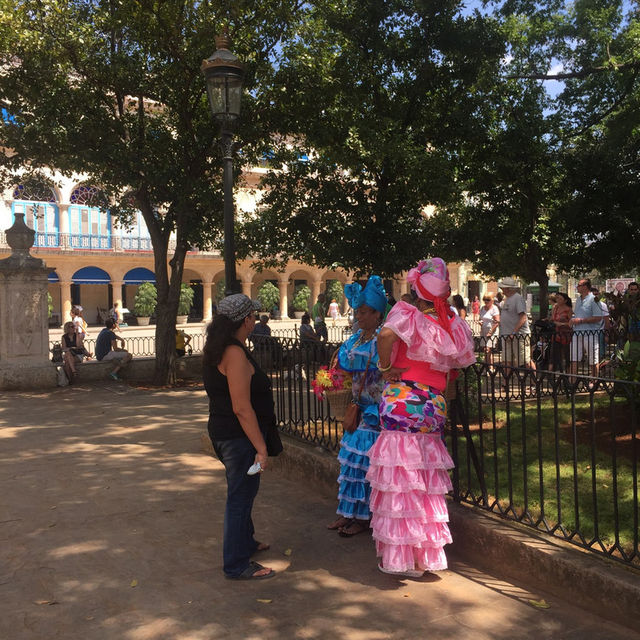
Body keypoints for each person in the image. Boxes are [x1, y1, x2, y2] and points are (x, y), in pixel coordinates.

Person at [366, 258, 475, 576]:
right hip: (433, 405)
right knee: (424, 481)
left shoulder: (406, 312)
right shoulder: (450, 321)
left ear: (417, 287)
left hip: (402, 401)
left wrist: (386, 368)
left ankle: (401, 557)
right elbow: (455, 365)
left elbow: (385, 337)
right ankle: (423, 557)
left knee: (400, 481)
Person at [202, 294, 276, 580]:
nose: (255, 321)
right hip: (237, 437)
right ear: (246, 320)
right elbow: (241, 408)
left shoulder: (220, 348)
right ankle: (236, 563)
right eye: (253, 317)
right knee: (240, 497)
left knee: (244, 491)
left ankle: (246, 542)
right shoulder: (233, 353)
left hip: (225, 433)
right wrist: (261, 448)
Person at [327, 276, 387, 537]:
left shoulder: (380, 342)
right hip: (356, 408)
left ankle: (362, 518)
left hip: (374, 413)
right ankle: (347, 512)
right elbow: (344, 365)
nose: (359, 316)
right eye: (357, 311)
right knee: (350, 464)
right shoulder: (356, 340)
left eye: (364, 312)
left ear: (377, 314)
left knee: (363, 466)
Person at [498, 277, 534, 376]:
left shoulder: (517, 298)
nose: (502, 289)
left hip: (519, 335)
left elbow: (523, 317)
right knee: (506, 360)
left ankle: (535, 383)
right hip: (506, 335)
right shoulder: (507, 299)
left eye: (503, 288)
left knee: (525, 360)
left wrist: (514, 332)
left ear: (508, 288)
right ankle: (505, 384)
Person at [569, 278, 603, 379]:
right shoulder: (579, 299)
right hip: (577, 332)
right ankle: (572, 381)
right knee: (574, 357)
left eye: (579, 285)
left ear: (585, 287)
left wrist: (580, 320)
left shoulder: (594, 299)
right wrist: (573, 320)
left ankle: (594, 380)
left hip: (590, 333)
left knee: (593, 359)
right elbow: (578, 315)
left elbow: (598, 317)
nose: (577, 287)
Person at [550, 292, 572, 372]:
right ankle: (552, 375)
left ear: (565, 301)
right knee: (553, 355)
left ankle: (568, 374)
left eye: (560, 298)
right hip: (556, 334)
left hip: (566, 335)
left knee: (567, 355)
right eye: (557, 298)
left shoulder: (568, 309)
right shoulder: (555, 308)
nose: (557, 300)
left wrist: (561, 324)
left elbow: (571, 323)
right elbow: (552, 318)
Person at [479, 293, 500, 371]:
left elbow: (497, 321)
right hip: (484, 331)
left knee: (488, 349)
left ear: (492, 300)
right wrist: (480, 322)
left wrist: (491, 332)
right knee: (485, 349)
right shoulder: (482, 308)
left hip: (492, 331)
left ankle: (490, 367)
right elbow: (480, 318)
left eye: (488, 300)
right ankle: (487, 366)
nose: (486, 302)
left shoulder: (494, 308)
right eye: (484, 300)